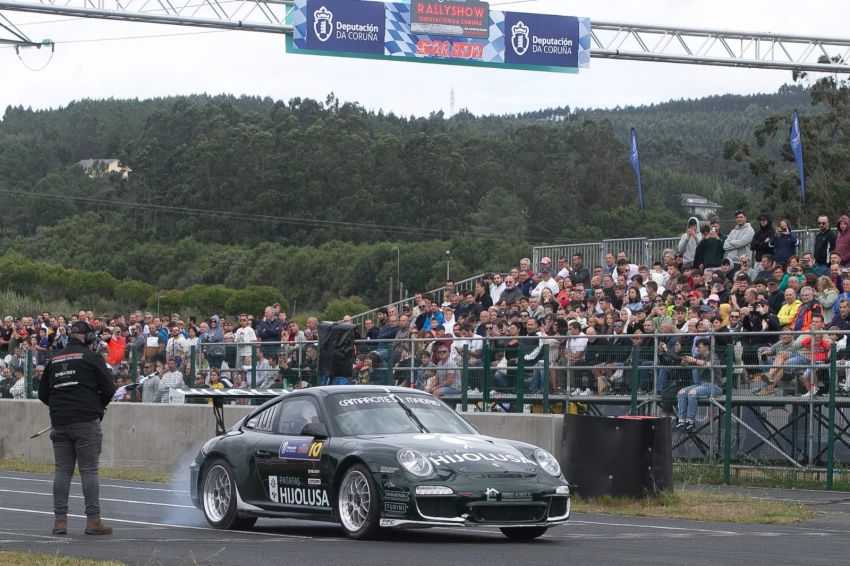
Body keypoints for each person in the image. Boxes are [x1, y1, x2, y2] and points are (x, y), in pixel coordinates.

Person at [37, 321, 116, 536]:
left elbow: (42, 393)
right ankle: (93, 521)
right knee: (89, 471)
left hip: (60, 422)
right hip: (86, 422)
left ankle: (60, 521)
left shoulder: (53, 359)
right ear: (88, 338)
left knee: (62, 472)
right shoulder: (92, 357)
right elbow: (109, 388)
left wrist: (60, 408)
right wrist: (98, 406)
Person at [675, 339, 722, 432]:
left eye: (699, 347)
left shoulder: (713, 356)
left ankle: (690, 422)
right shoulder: (698, 355)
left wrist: (695, 360)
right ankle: (681, 421)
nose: (697, 349)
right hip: (700, 384)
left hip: (714, 386)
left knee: (692, 393)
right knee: (681, 392)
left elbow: (710, 365)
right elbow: (685, 365)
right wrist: (684, 361)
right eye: (696, 347)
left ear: (706, 347)